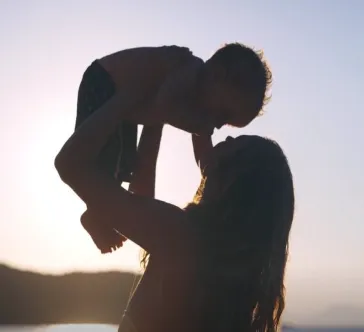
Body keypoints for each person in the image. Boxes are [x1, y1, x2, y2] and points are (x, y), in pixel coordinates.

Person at [55, 87, 295, 331]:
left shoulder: (179, 236)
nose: (228, 138)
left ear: (237, 181)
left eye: (237, 144)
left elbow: (70, 164)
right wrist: (158, 117)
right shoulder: (232, 283)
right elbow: (144, 195)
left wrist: (130, 94)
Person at [75, 43, 271, 184]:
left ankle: (98, 213)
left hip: (126, 110)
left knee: (124, 164)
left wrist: (211, 169)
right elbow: (164, 104)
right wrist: (197, 125)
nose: (218, 124)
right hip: (104, 81)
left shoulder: (198, 105)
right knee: (100, 157)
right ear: (218, 75)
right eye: (224, 114)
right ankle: (94, 213)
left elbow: (203, 150)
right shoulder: (188, 69)